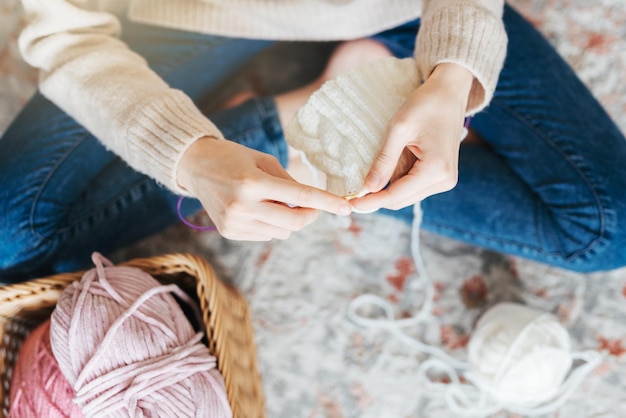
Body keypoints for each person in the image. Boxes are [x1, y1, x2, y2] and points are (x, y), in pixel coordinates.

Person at [0, 0, 625, 283]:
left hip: (403, 7)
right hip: (179, 17)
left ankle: (290, 132)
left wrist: (453, 73)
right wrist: (190, 155)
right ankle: (289, 125)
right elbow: (65, 37)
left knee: (607, 228)